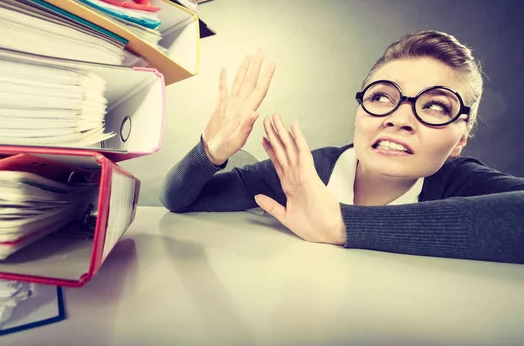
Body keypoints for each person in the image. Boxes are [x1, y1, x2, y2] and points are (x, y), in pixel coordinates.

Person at [160, 30, 524, 264]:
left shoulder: (461, 183)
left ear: (461, 137)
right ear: (360, 112)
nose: (399, 118)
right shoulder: (303, 172)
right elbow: (180, 199)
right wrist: (211, 150)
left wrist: (341, 224)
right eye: (382, 96)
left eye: (435, 105)